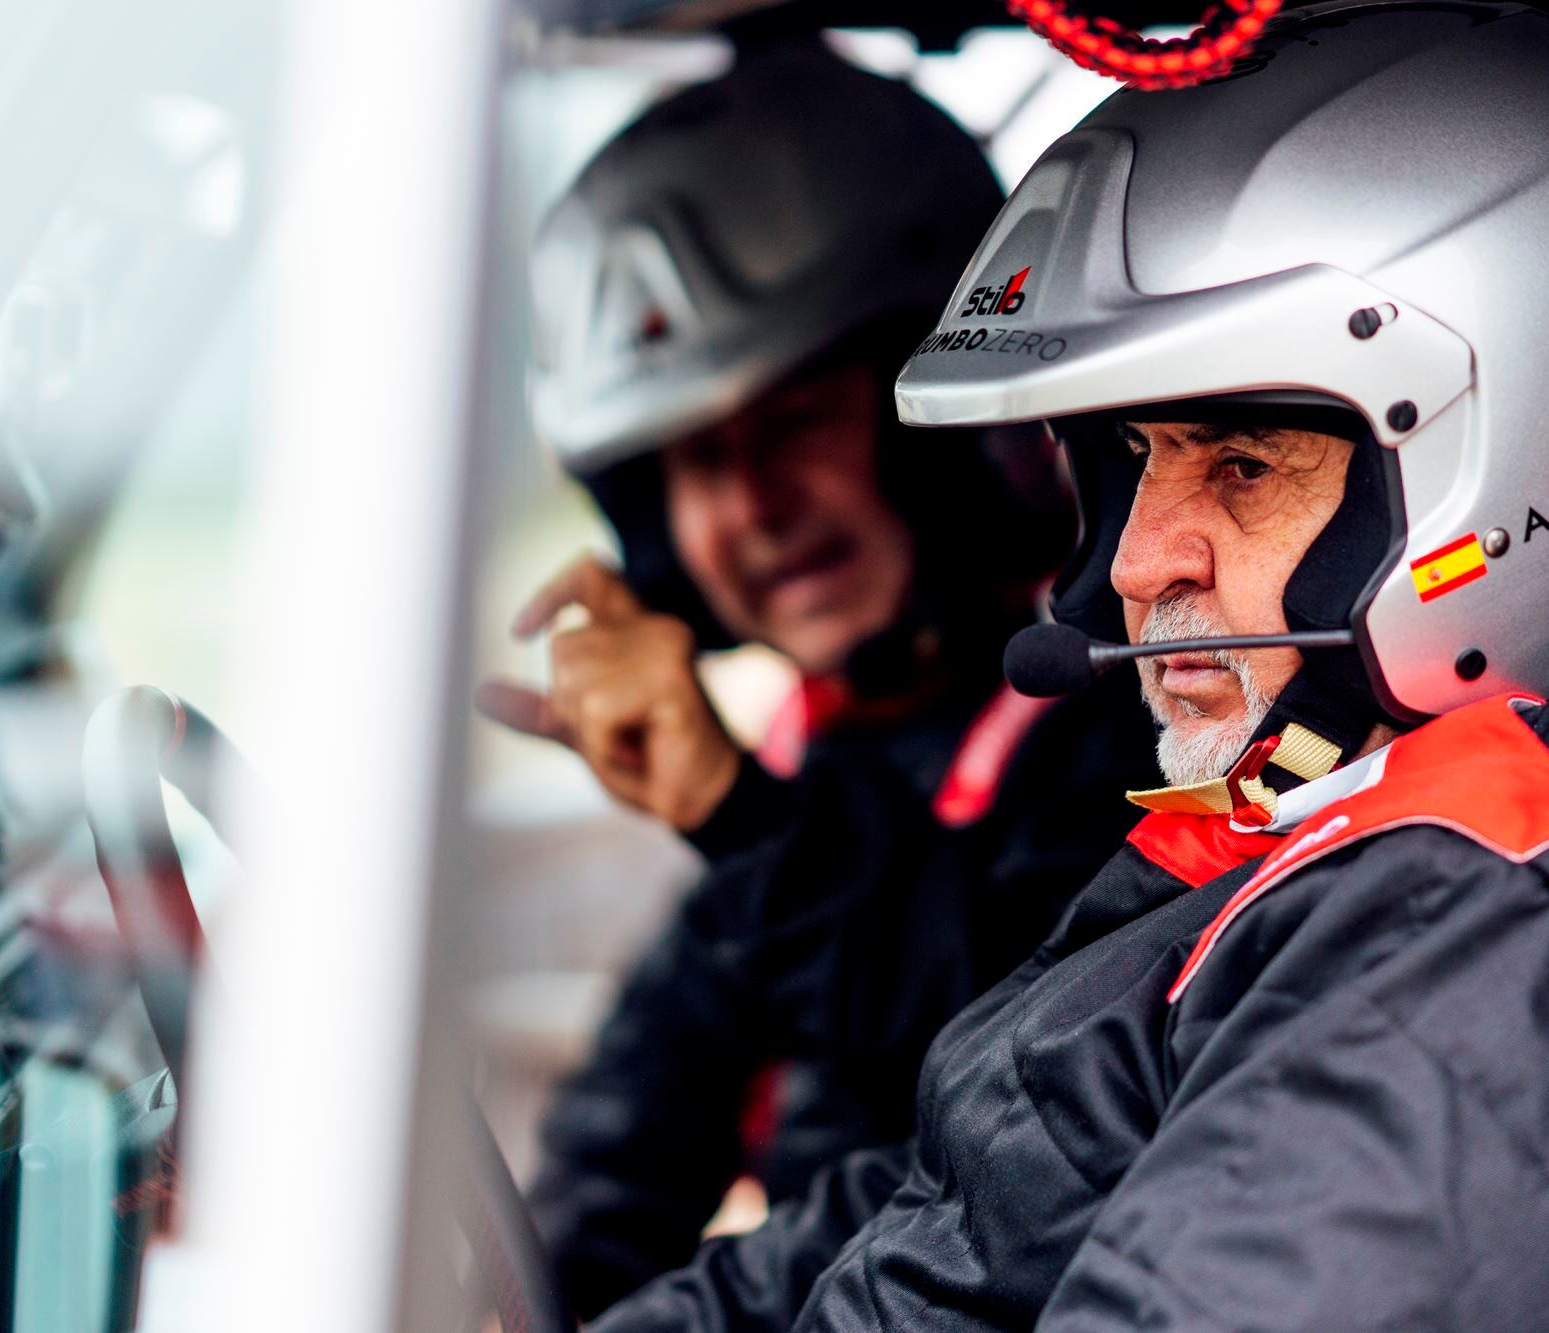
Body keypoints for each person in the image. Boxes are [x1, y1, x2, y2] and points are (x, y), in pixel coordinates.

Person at [588, 3, 1549, 1327]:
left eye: (1244, 466)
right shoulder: (1285, 830)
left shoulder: (1452, 967)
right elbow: (956, 1191)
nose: (1144, 563)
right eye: (1137, 460)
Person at [481, 40, 1160, 1318]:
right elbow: (634, 1120)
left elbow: (1002, 1075)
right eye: (689, 465)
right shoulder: (829, 752)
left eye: (792, 423)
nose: (752, 512)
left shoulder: (1134, 710)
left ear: (952, 420)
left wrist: (736, 815)